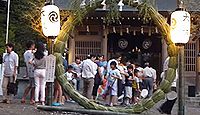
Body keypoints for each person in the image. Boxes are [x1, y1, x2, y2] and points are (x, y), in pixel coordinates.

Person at [21, 40, 35, 105]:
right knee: (33, 86)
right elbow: (32, 60)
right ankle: (31, 99)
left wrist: (26, 73)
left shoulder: (25, 53)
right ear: (31, 45)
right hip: (33, 69)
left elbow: (26, 63)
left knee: (30, 85)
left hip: (29, 70)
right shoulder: (31, 53)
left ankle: (24, 97)